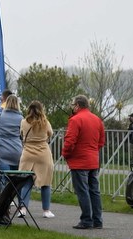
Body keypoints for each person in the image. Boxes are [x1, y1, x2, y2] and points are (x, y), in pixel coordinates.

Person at [62, 95, 106, 230]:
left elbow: (70, 141)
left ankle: (86, 220)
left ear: (77, 105)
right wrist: (93, 151)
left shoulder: (75, 120)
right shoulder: (97, 119)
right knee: (94, 191)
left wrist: (65, 154)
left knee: (83, 191)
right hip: (93, 160)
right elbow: (101, 141)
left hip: (79, 161)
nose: (72, 107)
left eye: (73, 105)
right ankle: (97, 220)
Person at [19, 100, 55, 218]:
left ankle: (23, 209)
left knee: (26, 183)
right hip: (43, 154)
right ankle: (46, 211)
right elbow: (50, 134)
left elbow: (21, 134)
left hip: (27, 154)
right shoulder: (46, 123)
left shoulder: (23, 122)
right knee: (45, 182)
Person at [0, 95, 23, 195]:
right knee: (16, 179)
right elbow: (22, 135)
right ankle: (18, 200)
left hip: (2, 151)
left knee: (4, 179)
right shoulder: (21, 118)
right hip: (16, 150)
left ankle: (5, 200)